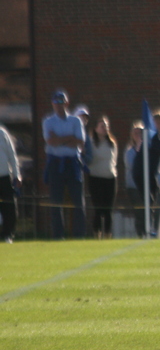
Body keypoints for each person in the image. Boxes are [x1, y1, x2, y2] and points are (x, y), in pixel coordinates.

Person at [43, 89, 87, 239]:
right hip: (55, 163)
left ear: (67, 103)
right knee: (56, 202)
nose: (58, 105)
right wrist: (70, 139)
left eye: (61, 102)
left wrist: (60, 139)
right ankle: (58, 236)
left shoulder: (76, 121)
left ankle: (79, 235)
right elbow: (50, 142)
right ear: (52, 104)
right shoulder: (48, 121)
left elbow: (80, 142)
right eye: (56, 102)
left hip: (73, 163)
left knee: (78, 201)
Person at [87, 115, 118, 238]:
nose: (105, 128)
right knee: (98, 209)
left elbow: (114, 161)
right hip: (95, 178)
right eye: (102, 126)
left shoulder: (112, 143)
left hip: (110, 178)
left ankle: (107, 236)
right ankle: (97, 235)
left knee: (108, 210)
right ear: (95, 128)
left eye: (106, 126)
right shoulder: (90, 143)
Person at [124, 121, 146, 238]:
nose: (138, 135)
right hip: (134, 187)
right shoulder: (129, 152)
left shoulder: (148, 150)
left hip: (147, 186)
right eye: (135, 133)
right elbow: (133, 166)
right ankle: (141, 235)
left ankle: (149, 233)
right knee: (139, 212)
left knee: (148, 211)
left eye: (140, 132)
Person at [0, 124, 21, 243]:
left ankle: (8, 234)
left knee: (9, 208)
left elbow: (12, 156)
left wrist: (17, 175)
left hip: (4, 177)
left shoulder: (2, 133)